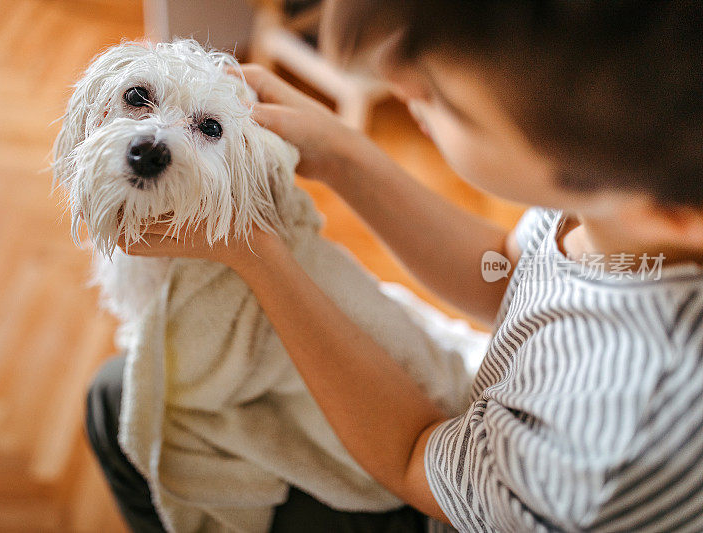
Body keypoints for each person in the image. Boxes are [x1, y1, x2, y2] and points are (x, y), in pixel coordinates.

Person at [85, 1, 703, 531]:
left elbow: (412, 457)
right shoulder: (625, 195)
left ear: (667, 212)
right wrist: (341, 152)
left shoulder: (618, 433)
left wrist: (257, 253)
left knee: (119, 409)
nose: (398, 82)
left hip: (444, 497)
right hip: (477, 435)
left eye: (442, 98)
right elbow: (510, 273)